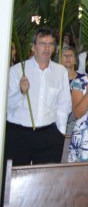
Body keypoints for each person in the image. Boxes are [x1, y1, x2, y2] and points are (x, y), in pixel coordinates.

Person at [5, 28, 71, 166]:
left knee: (46, 181)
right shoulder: (17, 71)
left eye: (51, 44)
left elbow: (64, 104)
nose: (47, 48)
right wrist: (21, 92)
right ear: (33, 47)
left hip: (49, 134)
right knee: (15, 181)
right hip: (18, 134)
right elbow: (6, 107)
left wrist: (60, 131)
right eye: (42, 43)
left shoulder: (60, 72)